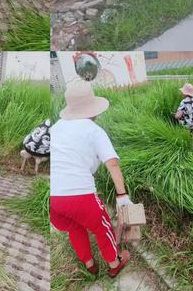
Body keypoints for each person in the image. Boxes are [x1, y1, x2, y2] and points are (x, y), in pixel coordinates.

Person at [50, 82, 132, 278]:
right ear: (92, 109)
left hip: (52, 197)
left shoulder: (56, 127)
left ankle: (90, 265)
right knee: (102, 226)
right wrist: (122, 195)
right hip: (78, 194)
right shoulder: (94, 130)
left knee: (73, 227)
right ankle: (115, 263)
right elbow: (112, 164)